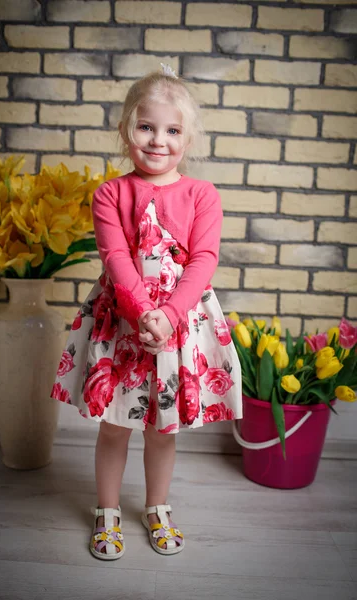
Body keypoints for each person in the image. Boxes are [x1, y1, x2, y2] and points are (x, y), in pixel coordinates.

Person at [50, 63, 242, 561]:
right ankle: (107, 511)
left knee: (163, 426)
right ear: (125, 130)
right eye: (146, 127)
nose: (158, 141)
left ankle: (156, 507)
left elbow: (204, 259)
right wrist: (141, 315)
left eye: (173, 130)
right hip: (123, 321)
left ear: (189, 137)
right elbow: (115, 258)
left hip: (180, 322)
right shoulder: (110, 193)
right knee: (115, 423)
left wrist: (170, 315)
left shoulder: (203, 195)